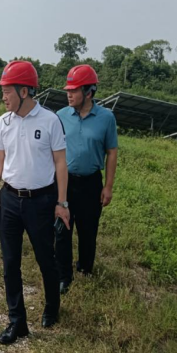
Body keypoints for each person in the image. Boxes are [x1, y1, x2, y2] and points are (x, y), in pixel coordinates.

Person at [0, 60, 70, 345]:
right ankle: (17, 321)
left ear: (24, 91)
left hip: (41, 201)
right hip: (10, 199)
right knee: (10, 263)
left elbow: (60, 163)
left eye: (7, 91)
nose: (3, 96)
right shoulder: (4, 122)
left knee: (46, 258)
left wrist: (61, 202)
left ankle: (52, 307)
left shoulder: (49, 120)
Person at [55, 65, 118, 294]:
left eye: (74, 90)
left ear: (89, 92)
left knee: (88, 230)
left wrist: (108, 186)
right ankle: (64, 275)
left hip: (91, 183)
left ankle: (85, 267)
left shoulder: (106, 118)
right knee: (62, 229)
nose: (69, 94)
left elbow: (112, 152)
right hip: (65, 182)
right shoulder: (60, 116)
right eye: (68, 90)